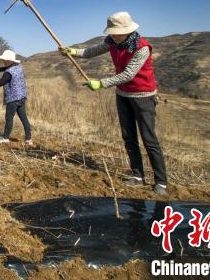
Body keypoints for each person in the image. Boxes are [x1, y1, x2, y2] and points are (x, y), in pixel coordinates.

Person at [60, 11, 168, 195]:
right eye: (112, 32)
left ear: (128, 30)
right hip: (123, 95)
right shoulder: (111, 42)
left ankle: (161, 182)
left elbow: (128, 74)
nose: (115, 36)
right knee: (129, 137)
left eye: (118, 32)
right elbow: (90, 52)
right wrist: (72, 51)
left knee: (149, 139)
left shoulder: (142, 47)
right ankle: (138, 176)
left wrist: (101, 83)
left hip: (143, 96)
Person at [0, 49, 33, 146]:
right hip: (21, 97)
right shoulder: (19, 67)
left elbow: (0, 83)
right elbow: (8, 67)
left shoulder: (8, 72)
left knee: (9, 118)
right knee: (24, 118)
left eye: (4, 60)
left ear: (9, 61)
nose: (3, 61)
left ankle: (5, 137)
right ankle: (29, 139)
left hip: (13, 99)